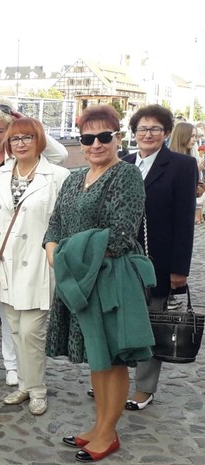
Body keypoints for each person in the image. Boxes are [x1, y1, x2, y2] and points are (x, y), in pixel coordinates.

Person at [45, 104, 154, 462]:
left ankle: (108, 432)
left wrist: (65, 255)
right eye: (87, 138)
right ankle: (98, 425)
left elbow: (119, 235)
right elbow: (56, 222)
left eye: (104, 136)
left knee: (113, 357)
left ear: (117, 138)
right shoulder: (74, 177)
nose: (95, 144)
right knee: (97, 356)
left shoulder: (126, 175)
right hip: (78, 279)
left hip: (110, 281)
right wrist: (51, 246)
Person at [0, 98, 67, 389]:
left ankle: (13, 365)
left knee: (14, 308)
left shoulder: (19, 157)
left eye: (1, 130)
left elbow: (58, 154)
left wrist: (23, 121)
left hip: (20, 245)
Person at [123, 105, 198, 412]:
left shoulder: (182, 165)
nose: (148, 134)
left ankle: (144, 387)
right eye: (142, 128)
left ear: (166, 133)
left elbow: (184, 220)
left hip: (158, 261)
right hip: (121, 261)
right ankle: (114, 380)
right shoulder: (124, 162)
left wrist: (179, 268)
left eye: (155, 129)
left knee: (150, 322)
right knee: (120, 321)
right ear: (134, 133)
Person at [168, 122, 202, 224]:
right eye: (192, 136)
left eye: (195, 136)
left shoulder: (191, 158)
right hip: (171, 211)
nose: (195, 139)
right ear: (182, 135)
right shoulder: (168, 159)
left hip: (186, 211)